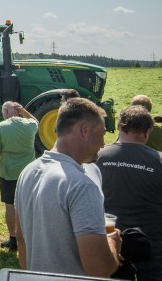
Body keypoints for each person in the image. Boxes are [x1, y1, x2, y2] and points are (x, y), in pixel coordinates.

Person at [14, 97, 121, 277]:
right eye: (102, 134)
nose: (103, 143)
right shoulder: (82, 184)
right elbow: (99, 268)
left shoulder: (28, 171)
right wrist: (113, 244)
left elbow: (21, 240)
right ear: (85, 130)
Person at [97, 105, 162, 280]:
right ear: (147, 131)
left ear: (119, 127)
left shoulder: (97, 157)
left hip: (108, 243)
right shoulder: (159, 161)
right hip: (151, 247)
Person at [0, 101, 38, 252]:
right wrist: (24, 111)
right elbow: (36, 121)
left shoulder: (1, 127)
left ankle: (13, 239)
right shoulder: (30, 125)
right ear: (17, 111)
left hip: (8, 173)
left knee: (10, 206)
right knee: (28, 206)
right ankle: (29, 237)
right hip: (28, 173)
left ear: (5, 111)